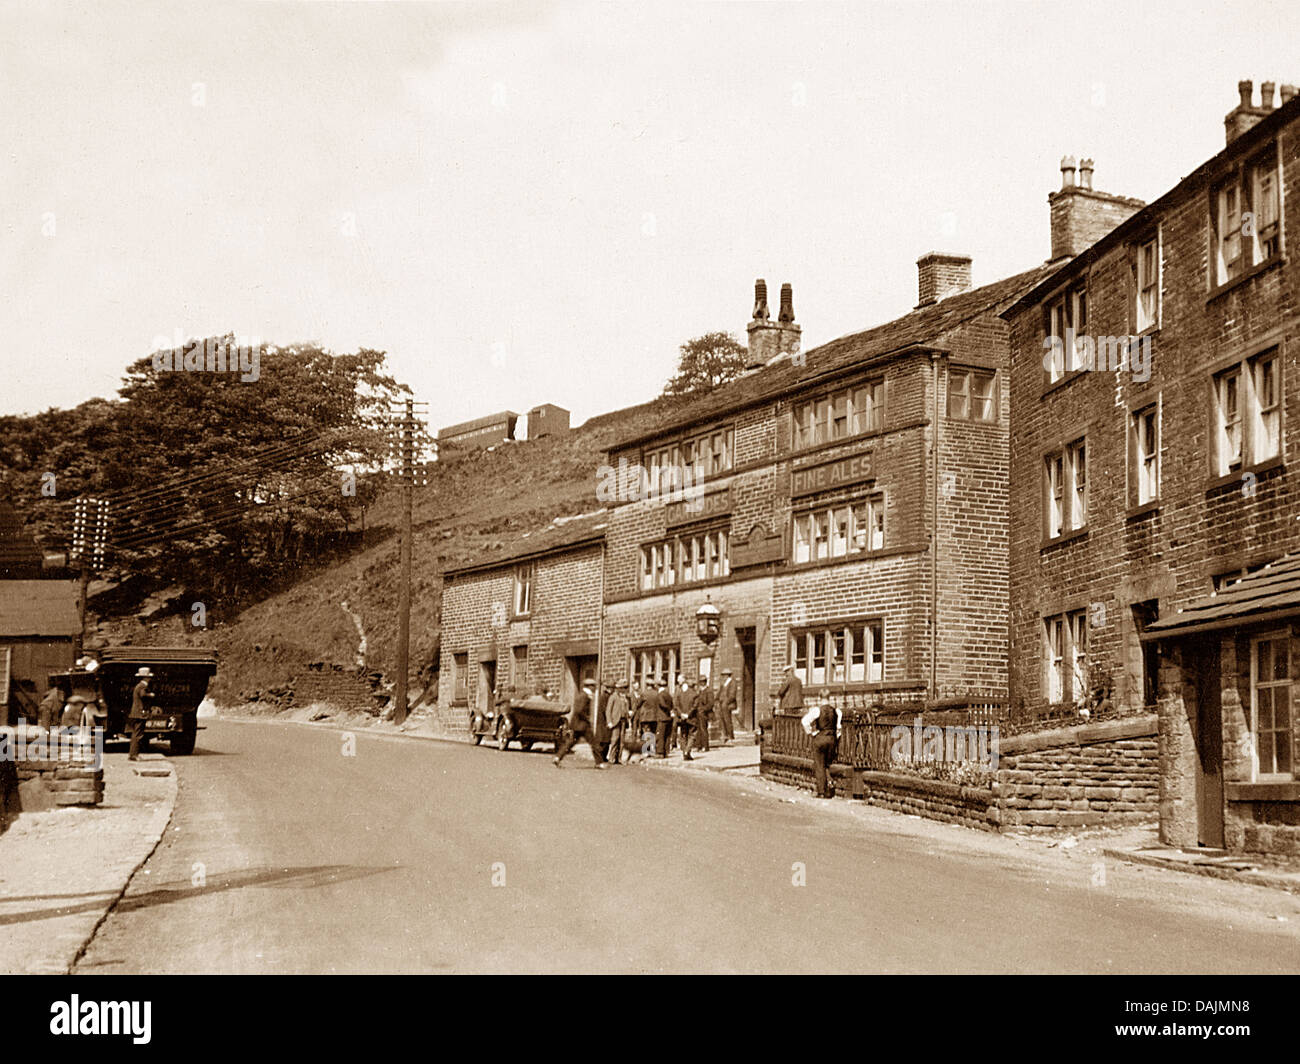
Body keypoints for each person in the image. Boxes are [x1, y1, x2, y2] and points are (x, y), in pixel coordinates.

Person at [554, 678, 607, 768]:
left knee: (570, 742)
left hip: (577, 724)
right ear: (589, 686)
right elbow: (579, 710)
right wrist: (587, 718)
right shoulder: (584, 696)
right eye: (593, 686)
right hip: (583, 725)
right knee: (594, 743)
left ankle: (558, 757)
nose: (595, 688)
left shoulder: (582, 695)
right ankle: (599, 763)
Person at [801, 696, 843, 799]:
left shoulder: (817, 710)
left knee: (819, 765)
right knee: (828, 764)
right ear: (829, 698)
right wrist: (836, 739)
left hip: (820, 738)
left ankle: (821, 791)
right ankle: (830, 786)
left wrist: (811, 733)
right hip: (832, 739)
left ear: (820, 698)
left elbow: (804, 721)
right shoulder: (837, 711)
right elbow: (839, 728)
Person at [128, 667, 153, 761]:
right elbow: (143, 695)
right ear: (146, 678)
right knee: (138, 734)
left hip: (136, 712)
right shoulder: (143, 686)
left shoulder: (139, 685)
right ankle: (134, 755)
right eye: (148, 677)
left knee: (135, 733)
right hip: (140, 713)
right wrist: (150, 695)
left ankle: (132, 754)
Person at [605, 679, 631, 765]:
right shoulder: (613, 697)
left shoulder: (625, 698)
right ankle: (611, 758)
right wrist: (609, 721)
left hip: (623, 721)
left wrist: (628, 713)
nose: (625, 689)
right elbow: (608, 710)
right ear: (618, 688)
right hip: (615, 721)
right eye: (623, 688)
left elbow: (626, 709)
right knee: (615, 739)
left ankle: (619, 758)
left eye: (625, 688)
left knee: (622, 740)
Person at [673, 677, 698, 761]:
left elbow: (676, 706)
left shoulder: (680, 694)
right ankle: (687, 751)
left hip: (682, 718)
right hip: (691, 718)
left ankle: (685, 753)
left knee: (683, 735)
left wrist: (681, 714)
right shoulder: (695, 694)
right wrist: (688, 714)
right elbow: (695, 707)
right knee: (692, 735)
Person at [717, 668, 737, 742]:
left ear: (728, 675)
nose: (724, 677)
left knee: (727, 720)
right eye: (723, 675)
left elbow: (732, 696)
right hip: (722, 704)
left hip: (728, 704)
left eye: (725, 675)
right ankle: (725, 735)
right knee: (722, 720)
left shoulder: (732, 683)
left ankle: (730, 736)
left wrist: (726, 702)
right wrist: (717, 699)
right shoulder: (723, 683)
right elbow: (719, 692)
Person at [695, 679, 714, 751]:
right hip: (698, 713)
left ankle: (705, 746)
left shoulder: (709, 691)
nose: (701, 684)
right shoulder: (699, 691)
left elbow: (711, 703)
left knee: (703, 729)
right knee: (698, 730)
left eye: (702, 682)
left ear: (704, 682)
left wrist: (703, 709)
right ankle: (699, 745)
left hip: (704, 713)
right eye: (700, 682)